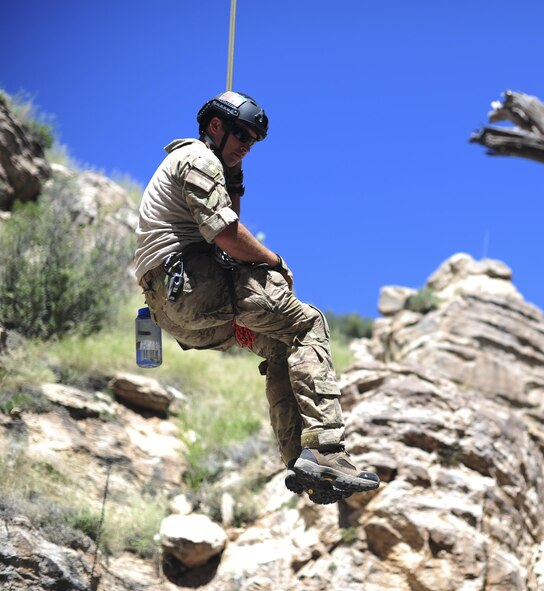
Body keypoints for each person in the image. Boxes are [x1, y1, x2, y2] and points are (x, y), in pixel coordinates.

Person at [133, 91, 379, 504]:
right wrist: (276, 261)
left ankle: (301, 459)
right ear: (215, 125)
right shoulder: (196, 156)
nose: (246, 145)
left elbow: (227, 219)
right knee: (306, 323)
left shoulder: (209, 163)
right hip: (194, 286)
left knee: (283, 344)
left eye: (252, 141)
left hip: (181, 313)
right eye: (242, 134)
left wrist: (236, 175)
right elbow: (227, 236)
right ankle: (328, 449)